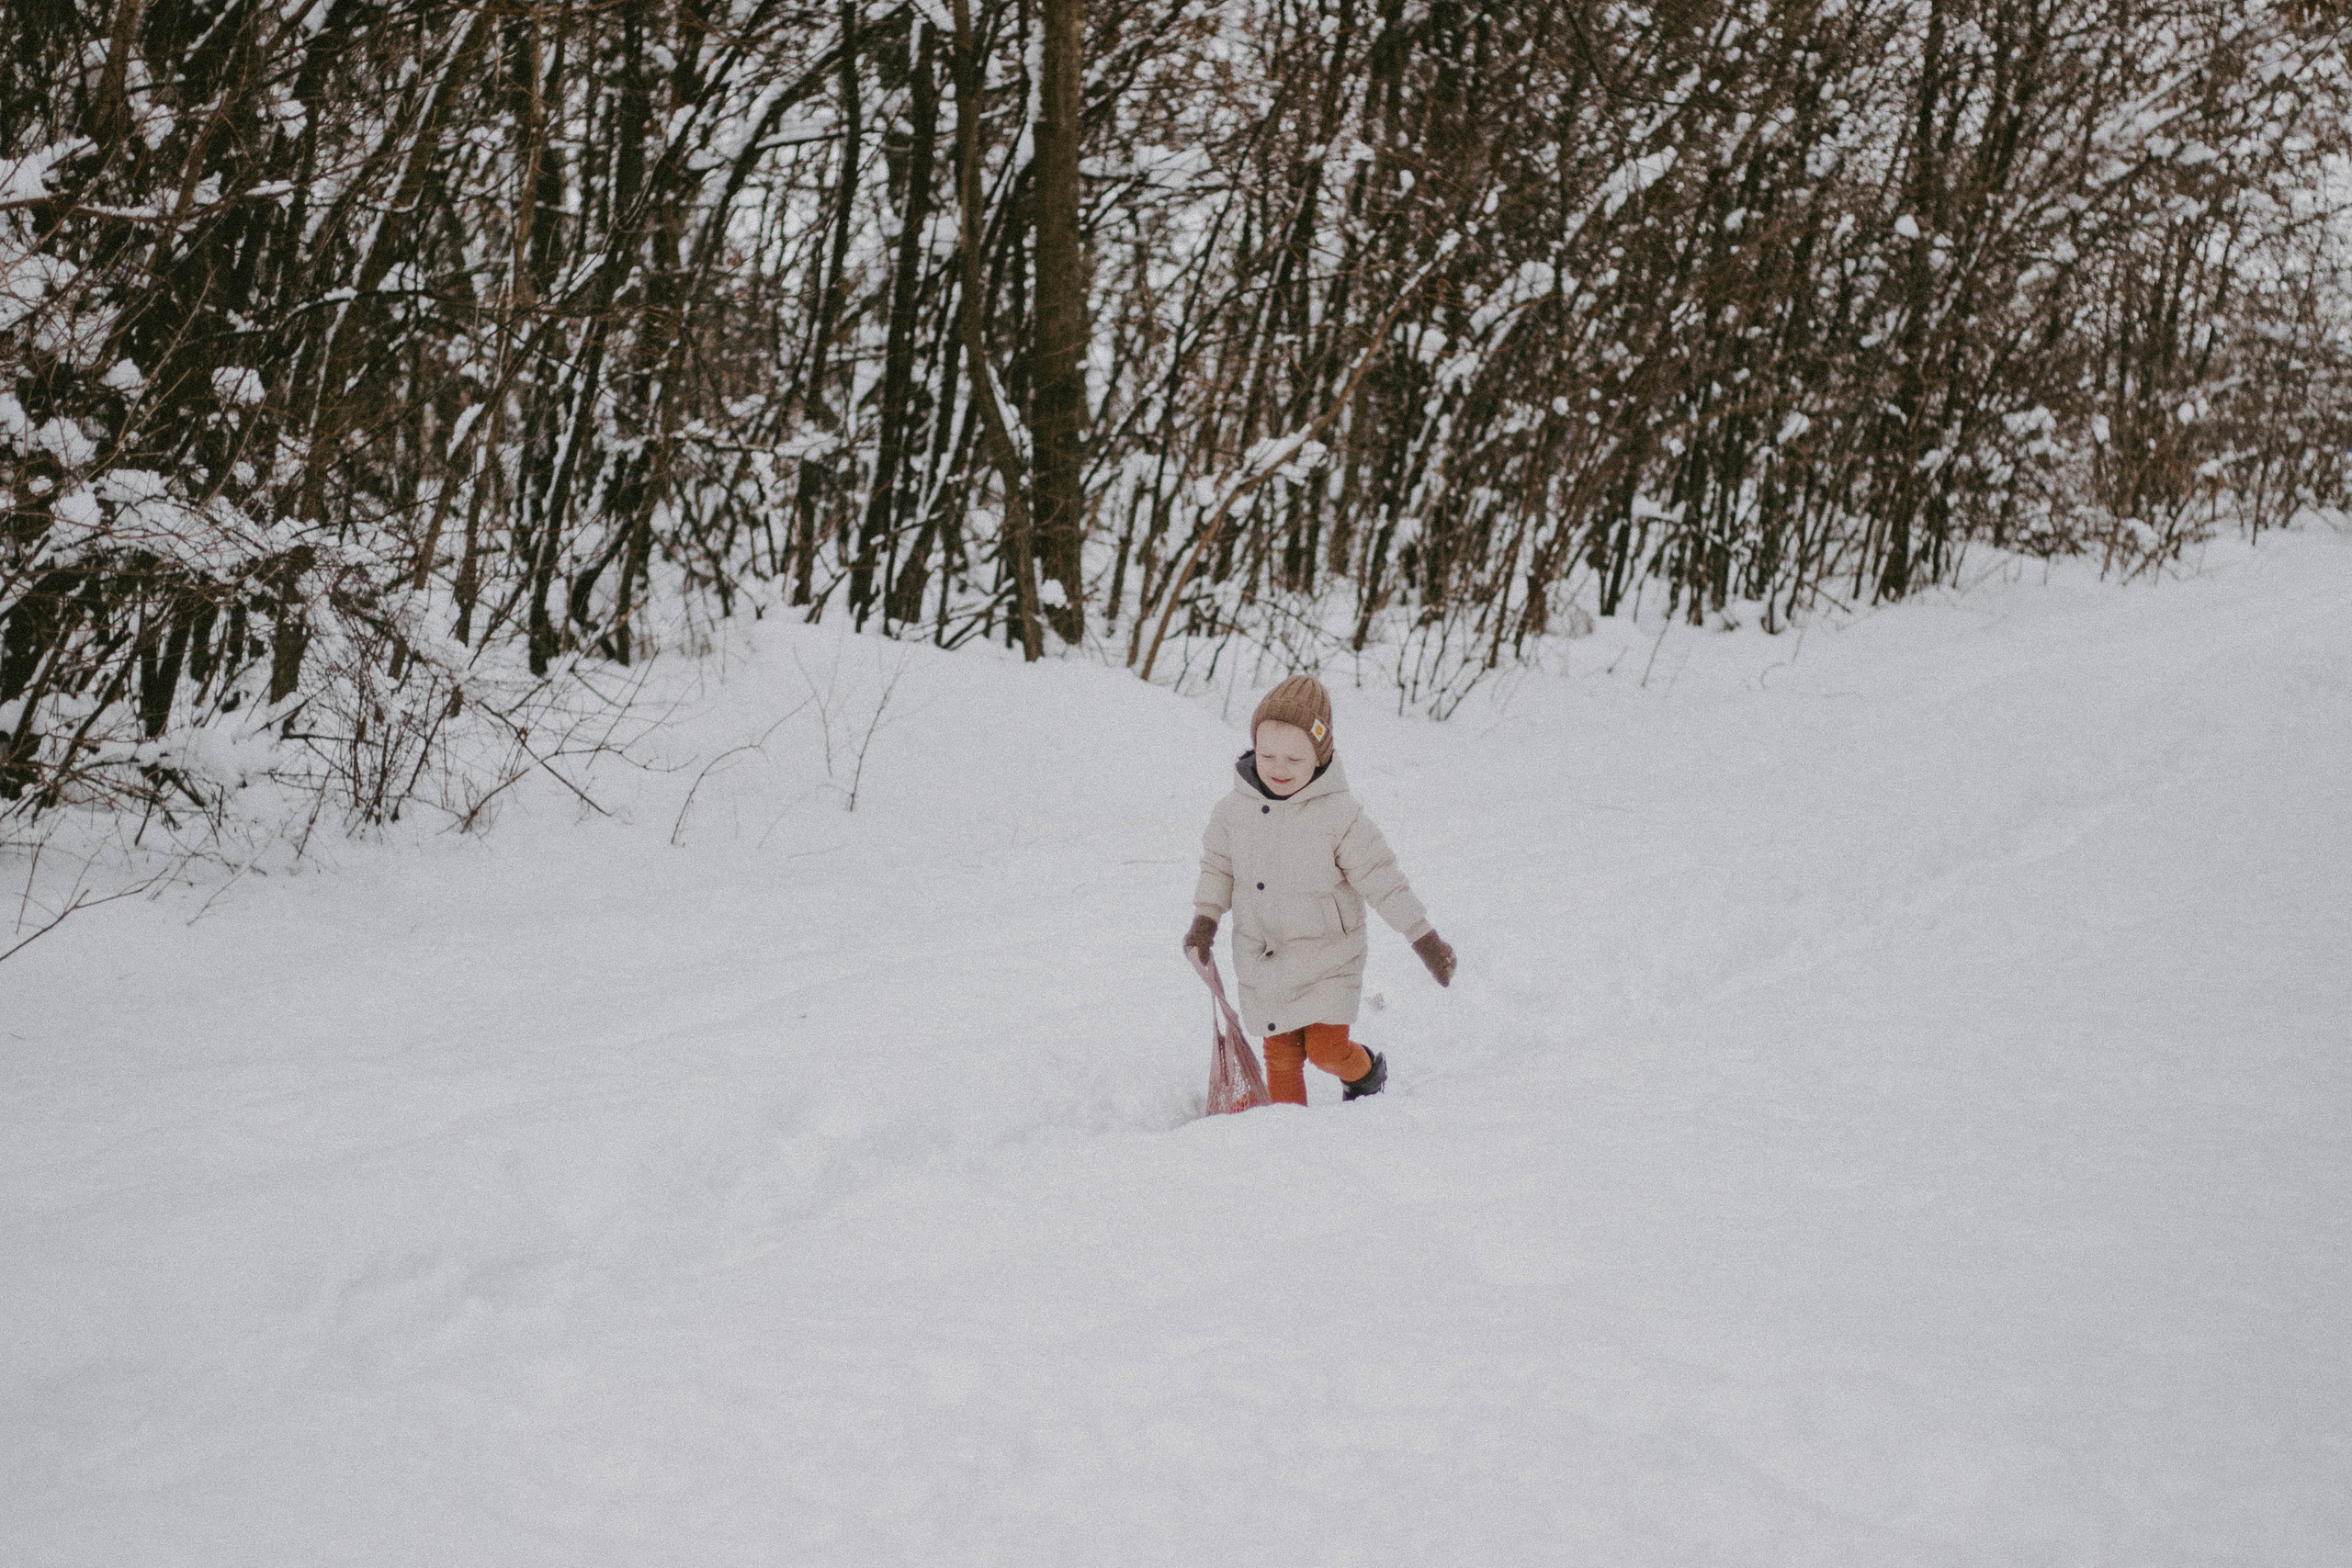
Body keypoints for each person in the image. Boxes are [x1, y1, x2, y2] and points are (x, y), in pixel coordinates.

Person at [1182, 675, 1455, 1105]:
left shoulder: (1340, 816)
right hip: (1264, 958)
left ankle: (1366, 1072)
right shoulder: (1232, 812)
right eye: (1267, 753)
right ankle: (1291, 1141)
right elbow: (1217, 868)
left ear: (1320, 757)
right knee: (1282, 1059)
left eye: (1294, 757)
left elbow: (1382, 877)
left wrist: (1423, 937)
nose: (1278, 767)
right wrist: (1204, 922)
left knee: (1326, 1051)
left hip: (1329, 955)